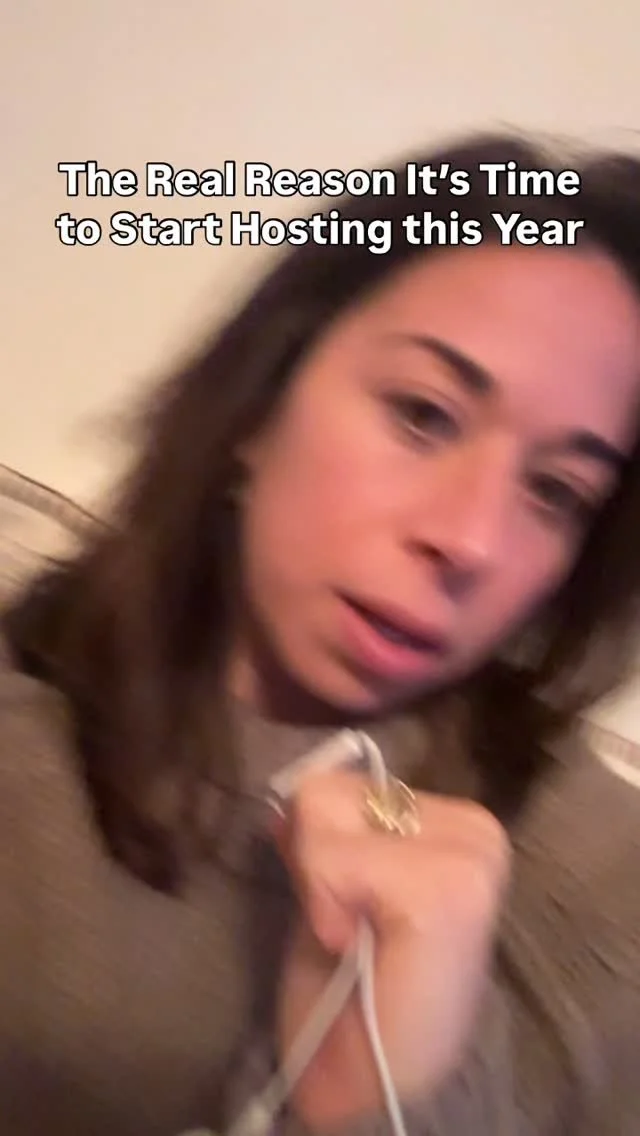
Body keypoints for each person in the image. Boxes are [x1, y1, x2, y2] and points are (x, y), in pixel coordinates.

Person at [1, 131, 640, 1136]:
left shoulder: (606, 888)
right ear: (260, 400)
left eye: (556, 492)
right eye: (423, 415)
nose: (472, 540)